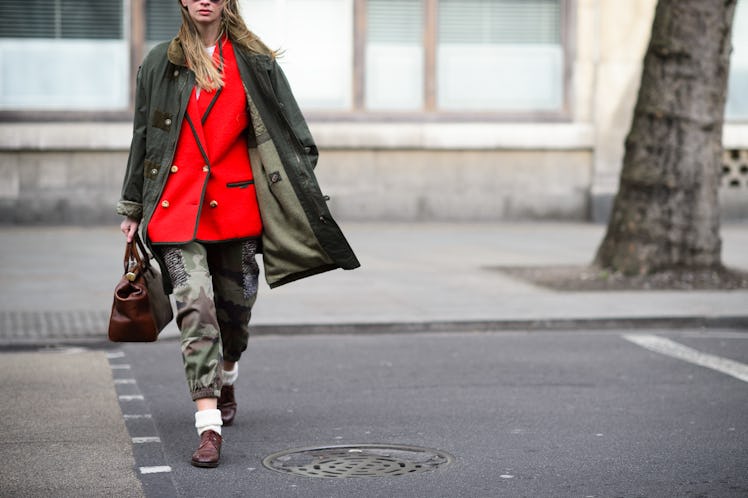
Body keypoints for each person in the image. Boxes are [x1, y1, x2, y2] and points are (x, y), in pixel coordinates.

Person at [118, 0, 359, 468]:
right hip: (175, 209)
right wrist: (131, 204)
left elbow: (296, 137)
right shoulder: (159, 62)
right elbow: (142, 135)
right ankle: (208, 427)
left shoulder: (256, 62)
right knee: (196, 307)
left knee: (235, 312)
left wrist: (288, 188)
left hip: (237, 209)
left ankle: (228, 373)